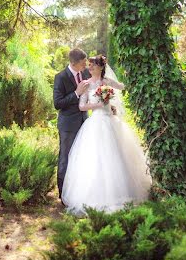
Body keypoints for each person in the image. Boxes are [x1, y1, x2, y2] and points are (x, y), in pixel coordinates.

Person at [62, 55, 151, 215]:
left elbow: (122, 87)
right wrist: (98, 105)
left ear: (101, 67)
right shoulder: (86, 84)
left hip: (111, 122)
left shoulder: (107, 83)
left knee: (115, 156)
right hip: (95, 123)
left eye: (93, 65)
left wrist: (131, 79)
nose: (90, 68)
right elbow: (82, 106)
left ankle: (120, 193)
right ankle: (96, 196)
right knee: (96, 158)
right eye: (89, 66)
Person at [53, 48, 91, 201]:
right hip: (68, 126)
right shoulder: (61, 77)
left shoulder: (86, 73)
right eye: (83, 63)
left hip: (85, 124)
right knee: (65, 158)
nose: (85, 65)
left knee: (81, 158)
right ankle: (63, 195)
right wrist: (76, 93)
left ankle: (77, 192)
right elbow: (58, 103)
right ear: (74, 63)